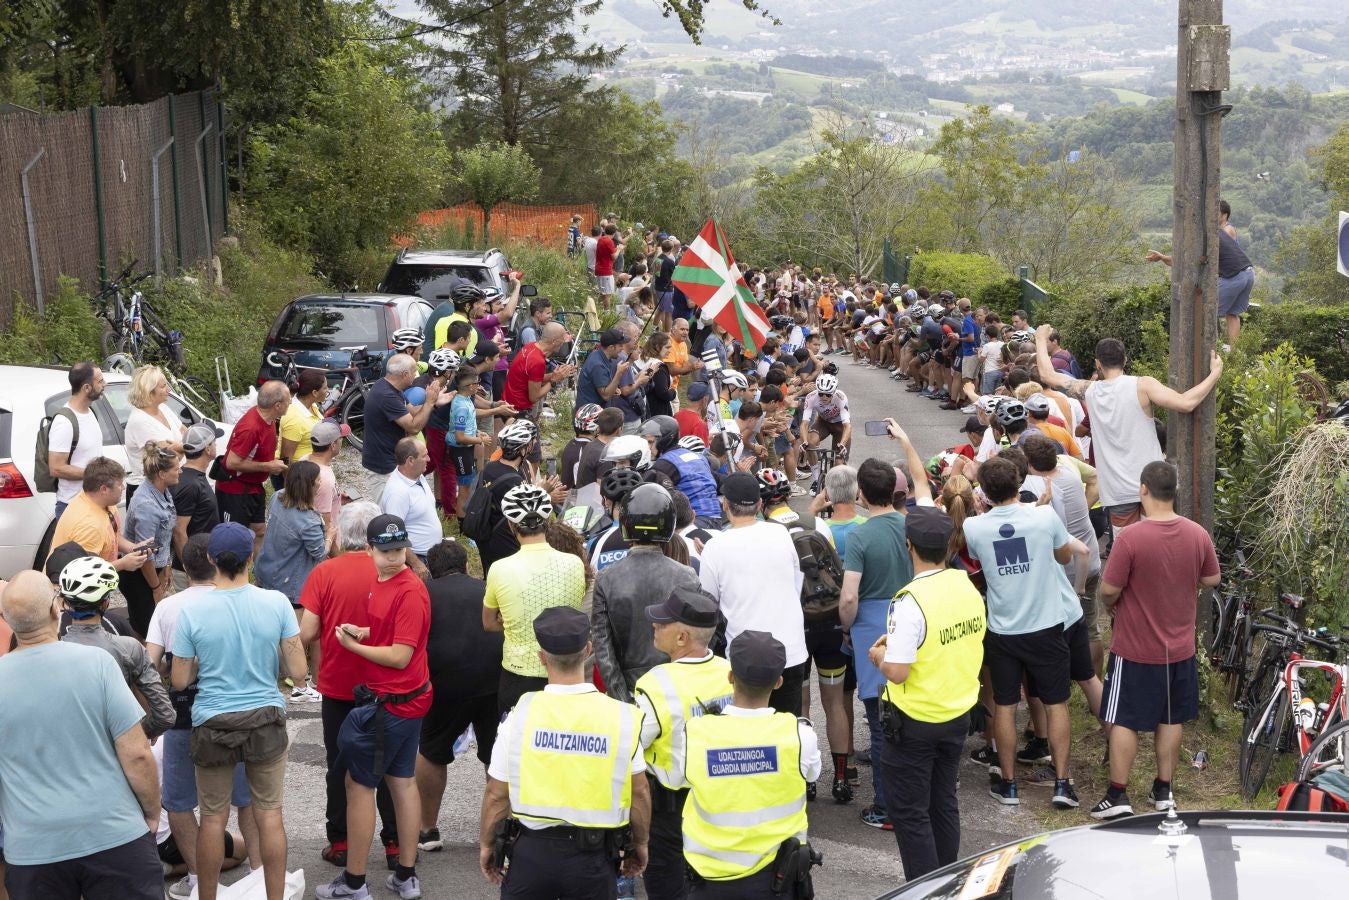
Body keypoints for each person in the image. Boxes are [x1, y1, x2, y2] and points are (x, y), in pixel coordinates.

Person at [0, 570, 163, 900]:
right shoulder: (97, 664)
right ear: (54, 609)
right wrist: (151, 811)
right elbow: (136, 753)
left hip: (33, 848)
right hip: (113, 833)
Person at [171, 522, 308, 900]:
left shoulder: (193, 611)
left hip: (213, 721)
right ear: (252, 557)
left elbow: (180, 680)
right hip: (264, 718)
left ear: (211, 559)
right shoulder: (277, 603)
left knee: (213, 818)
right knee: (269, 814)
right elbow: (298, 674)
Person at [478, 606, 650, 896]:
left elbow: (497, 793)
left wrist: (487, 845)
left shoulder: (520, 715)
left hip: (530, 856)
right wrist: (641, 844)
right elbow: (640, 791)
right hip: (594, 859)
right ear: (588, 651)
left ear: (542, 658)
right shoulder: (621, 717)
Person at [1091, 461, 1220, 819]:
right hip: (1179, 648)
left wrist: (1114, 605)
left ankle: (1118, 794)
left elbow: (1109, 590)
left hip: (1135, 647)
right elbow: (1212, 579)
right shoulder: (1197, 534)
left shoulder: (1131, 537)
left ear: (1143, 489)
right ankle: (1163, 790)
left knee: (1124, 719)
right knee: (1170, 717)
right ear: (1174, 491)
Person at [962, 456, 1090, 811]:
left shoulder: (975, 527)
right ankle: (1063, 784)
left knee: (1005, 705)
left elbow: (978, 559)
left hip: (1002, 629)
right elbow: (1064, 558)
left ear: (984, 492)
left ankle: (1009, 784)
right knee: (1055, 703)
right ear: (1019, 483)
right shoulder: (1044, 517)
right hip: (1046, 625)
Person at [316, 514, 432, 900]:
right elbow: (392, 631)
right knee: (401, 781)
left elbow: (400, 655)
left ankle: (354, 882)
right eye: (385, 551)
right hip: (401, 699)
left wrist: (353, 646)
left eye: (399, 549)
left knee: (359, 785)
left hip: (392, 702)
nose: (394, 557)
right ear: (368, 550)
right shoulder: (382, 582)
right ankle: (405, 875)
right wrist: (364, 631)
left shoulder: (409, 589)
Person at [868, 507, 986, 880]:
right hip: (956, 713)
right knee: (943, 803)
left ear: (909, 546)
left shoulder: (910, 599)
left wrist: (879, 657)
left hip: (915, 721)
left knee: (910, 812)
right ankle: (948, 882)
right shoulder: (965, 585)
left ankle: (923, 889)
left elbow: (898, 672)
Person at [145, 535, 262, 900]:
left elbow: (149, 664)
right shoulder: (241, 600)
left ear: (186, 564)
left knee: (179, 802)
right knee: (247, 800)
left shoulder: (168, 606)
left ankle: (198, 879)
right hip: (234, 708)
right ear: (217, 560)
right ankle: (260, 876)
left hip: (183, 712)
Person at [1034, 325, 1222, 530]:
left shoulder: (1089, 390)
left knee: (1130, 551)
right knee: (1157, 545)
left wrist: (1040, 339)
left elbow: (1048, 375)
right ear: (1125, 360)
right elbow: (1186, 403)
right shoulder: (1143, 385)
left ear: (1098, 363)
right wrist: (1214, 374)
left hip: (1117, 491)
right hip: (1153, 484)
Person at [298, 502, 402, 871]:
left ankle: (340, 841)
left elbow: (308, 632)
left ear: (342, 534)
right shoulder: (395, 571)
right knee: (392, 765)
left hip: (340, 685)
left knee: (340, 764)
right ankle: (394, 844)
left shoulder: (325, 573)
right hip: (389, 684)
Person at [680, 630, 821, 899]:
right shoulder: (799, 735)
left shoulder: (695, 733)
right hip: (777, 879)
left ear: (731, 676)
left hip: (710, 880)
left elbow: (678, 778)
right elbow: (812, 772)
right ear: (778, 682)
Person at [632, 586, 730, 900]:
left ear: (682, 638)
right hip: (723, 799)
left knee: (668, 888)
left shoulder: (656, 684)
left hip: (672, 811)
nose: (654, 626)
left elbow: (633, 744)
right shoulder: (731, 672)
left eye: (662, 623)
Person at [839, 450, 919, 830]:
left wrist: (845, 627)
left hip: (873, 627)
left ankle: (886, 807)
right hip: (913, 618)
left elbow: (849, 595)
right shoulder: (910, 525)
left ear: (862, 494)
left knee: (880, 721)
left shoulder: (860, 534)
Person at [415, 539, 502, 852]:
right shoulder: (486, 587)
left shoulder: (424, 592)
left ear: (432, 571)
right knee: (496, 755)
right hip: (494, 679)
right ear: (466, 566)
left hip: (445, 683)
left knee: (431, 751)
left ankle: (427, 829)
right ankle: (496, 833)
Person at [698, 472, 807, 714]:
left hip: (745, 657)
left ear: (725, 504)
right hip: (790, 648)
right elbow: (796, 582)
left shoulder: (715, 547)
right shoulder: (780, 533)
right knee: (788, 727)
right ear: (759, 504)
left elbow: (708, 603)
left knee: (749, 732)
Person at [483, 483, 587, 714]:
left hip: (519, 673)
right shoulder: (574, 564)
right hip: (564, 669)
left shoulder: (500, 568)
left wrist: (511, 621)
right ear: (548, 521)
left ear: (511, 525)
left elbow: (489, 623)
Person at [592, 483, 701, 702]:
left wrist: (623, 698)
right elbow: (697, 642)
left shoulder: (607, 578)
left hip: (630, 689)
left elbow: (603, 649)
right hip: (677, 691)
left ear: (625, 524)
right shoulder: (687, 576)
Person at [57, 554, 175, 738]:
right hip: (116, 749)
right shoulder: (129, 648)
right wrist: (134, 736)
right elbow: (165, 715)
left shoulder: (50, 648)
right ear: (106, 602)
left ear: (65, 602)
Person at [216, 380, 290, 553]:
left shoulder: (269, 419)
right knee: (233, 539)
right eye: (288, 400)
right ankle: (232, 575)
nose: (291, 402)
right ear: (277, 405)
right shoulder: (251, 428)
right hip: (234, 490)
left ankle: (256, 572)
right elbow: (231, 462)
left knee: (259, 531)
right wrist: (268, 466)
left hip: (254, 488)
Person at [363, 355, 441, 505]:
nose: (416, 374)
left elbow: (411, 411)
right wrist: (429, 403)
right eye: (414, 371)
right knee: (388, 514)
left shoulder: (390, 387)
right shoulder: (387, 395)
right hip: (383, 466)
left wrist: (435, 402)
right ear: (405, 374)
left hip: (392, 460)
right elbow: (414, 426)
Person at [50, 455, 152, 571]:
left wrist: (133, 548)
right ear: (104, 489)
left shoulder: (102, 501)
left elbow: (112, 535)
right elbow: (84, 572)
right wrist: (122, 564)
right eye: (119, 484)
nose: (123, 488)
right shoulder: (89, 526)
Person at [121, 440, 180, 636]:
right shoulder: (146, 505)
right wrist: (156, 588)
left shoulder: (162, 491)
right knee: (147, 627)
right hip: (140, 574)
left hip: (155, 568)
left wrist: (167, 565)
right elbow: (144, 553)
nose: (179, 472)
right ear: (162, 474)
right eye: (176, 469)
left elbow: (163, 538)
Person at [46, 361, 105, 520]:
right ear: (86, 388)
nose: (104, 384)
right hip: (73, 507)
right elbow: (56, 468)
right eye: (99, 381)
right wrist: (96, 475)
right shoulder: (64, 422)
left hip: (94, 502)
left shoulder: (90, 411)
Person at [123, 364, 186, 504]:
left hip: (167, 483)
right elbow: (169, 458)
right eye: (163, 386)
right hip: (148, 491)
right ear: (150, 391)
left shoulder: (163, 408)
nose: (168, 389)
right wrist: (186, 447)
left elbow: (185, 432)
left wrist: (180, 447)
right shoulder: (139, 420)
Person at [170, 421, 224, 586]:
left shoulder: (194, 476)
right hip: (195, 571)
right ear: (207, 449)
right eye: (214, 442)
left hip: (204, 565)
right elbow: (179, 531)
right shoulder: (191, 485)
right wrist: (190, 570)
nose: (216, 445)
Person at [379, 438, 440, 576]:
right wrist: (416, 564)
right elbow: (394, 535)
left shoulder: (417, 476)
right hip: (418, 560)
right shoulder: (397, 493)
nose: (429, 459)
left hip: (431, 555)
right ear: (410, 460)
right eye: (424, 456)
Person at [643, 415, 722, 521]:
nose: (647, 447)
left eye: (650, 442)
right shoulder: (697, 456)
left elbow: (645, 495)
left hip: (694, 520)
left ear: (664, 440)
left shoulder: (665, 464)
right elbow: (721, 480)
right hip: (715, 516)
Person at [502, 321, 576, 419]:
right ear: (554, 341)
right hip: (518, 409)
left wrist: (557, 374)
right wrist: (554, 381)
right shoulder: (537, 361)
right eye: (562, 338)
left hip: (509, 403)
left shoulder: (531, 346)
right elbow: (534, 397)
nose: (564, 342)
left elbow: (532, 378)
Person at [308, 419, 347, 546]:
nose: (342, 441)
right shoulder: (323, 479)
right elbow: (326, 525)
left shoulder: (304, 460)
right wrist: (336, 558)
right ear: (333, 445)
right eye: (340, 439)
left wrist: (338, 499)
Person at [278, 368, 328, 464]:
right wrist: (290, 479)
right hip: (297, 475)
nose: (327, 390)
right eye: (325, 388)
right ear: (314, 393)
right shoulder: (295, 418)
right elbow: (285, 459)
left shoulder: (311, 405)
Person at [576, 328, 629, 411]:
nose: (622, 348)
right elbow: (606, 396)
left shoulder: (600, 356)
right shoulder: (597, 364)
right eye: (620, 346)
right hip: (590, 416)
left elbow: (604, 387)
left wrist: (613, 389)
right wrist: (619, 373)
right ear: (611, 347)